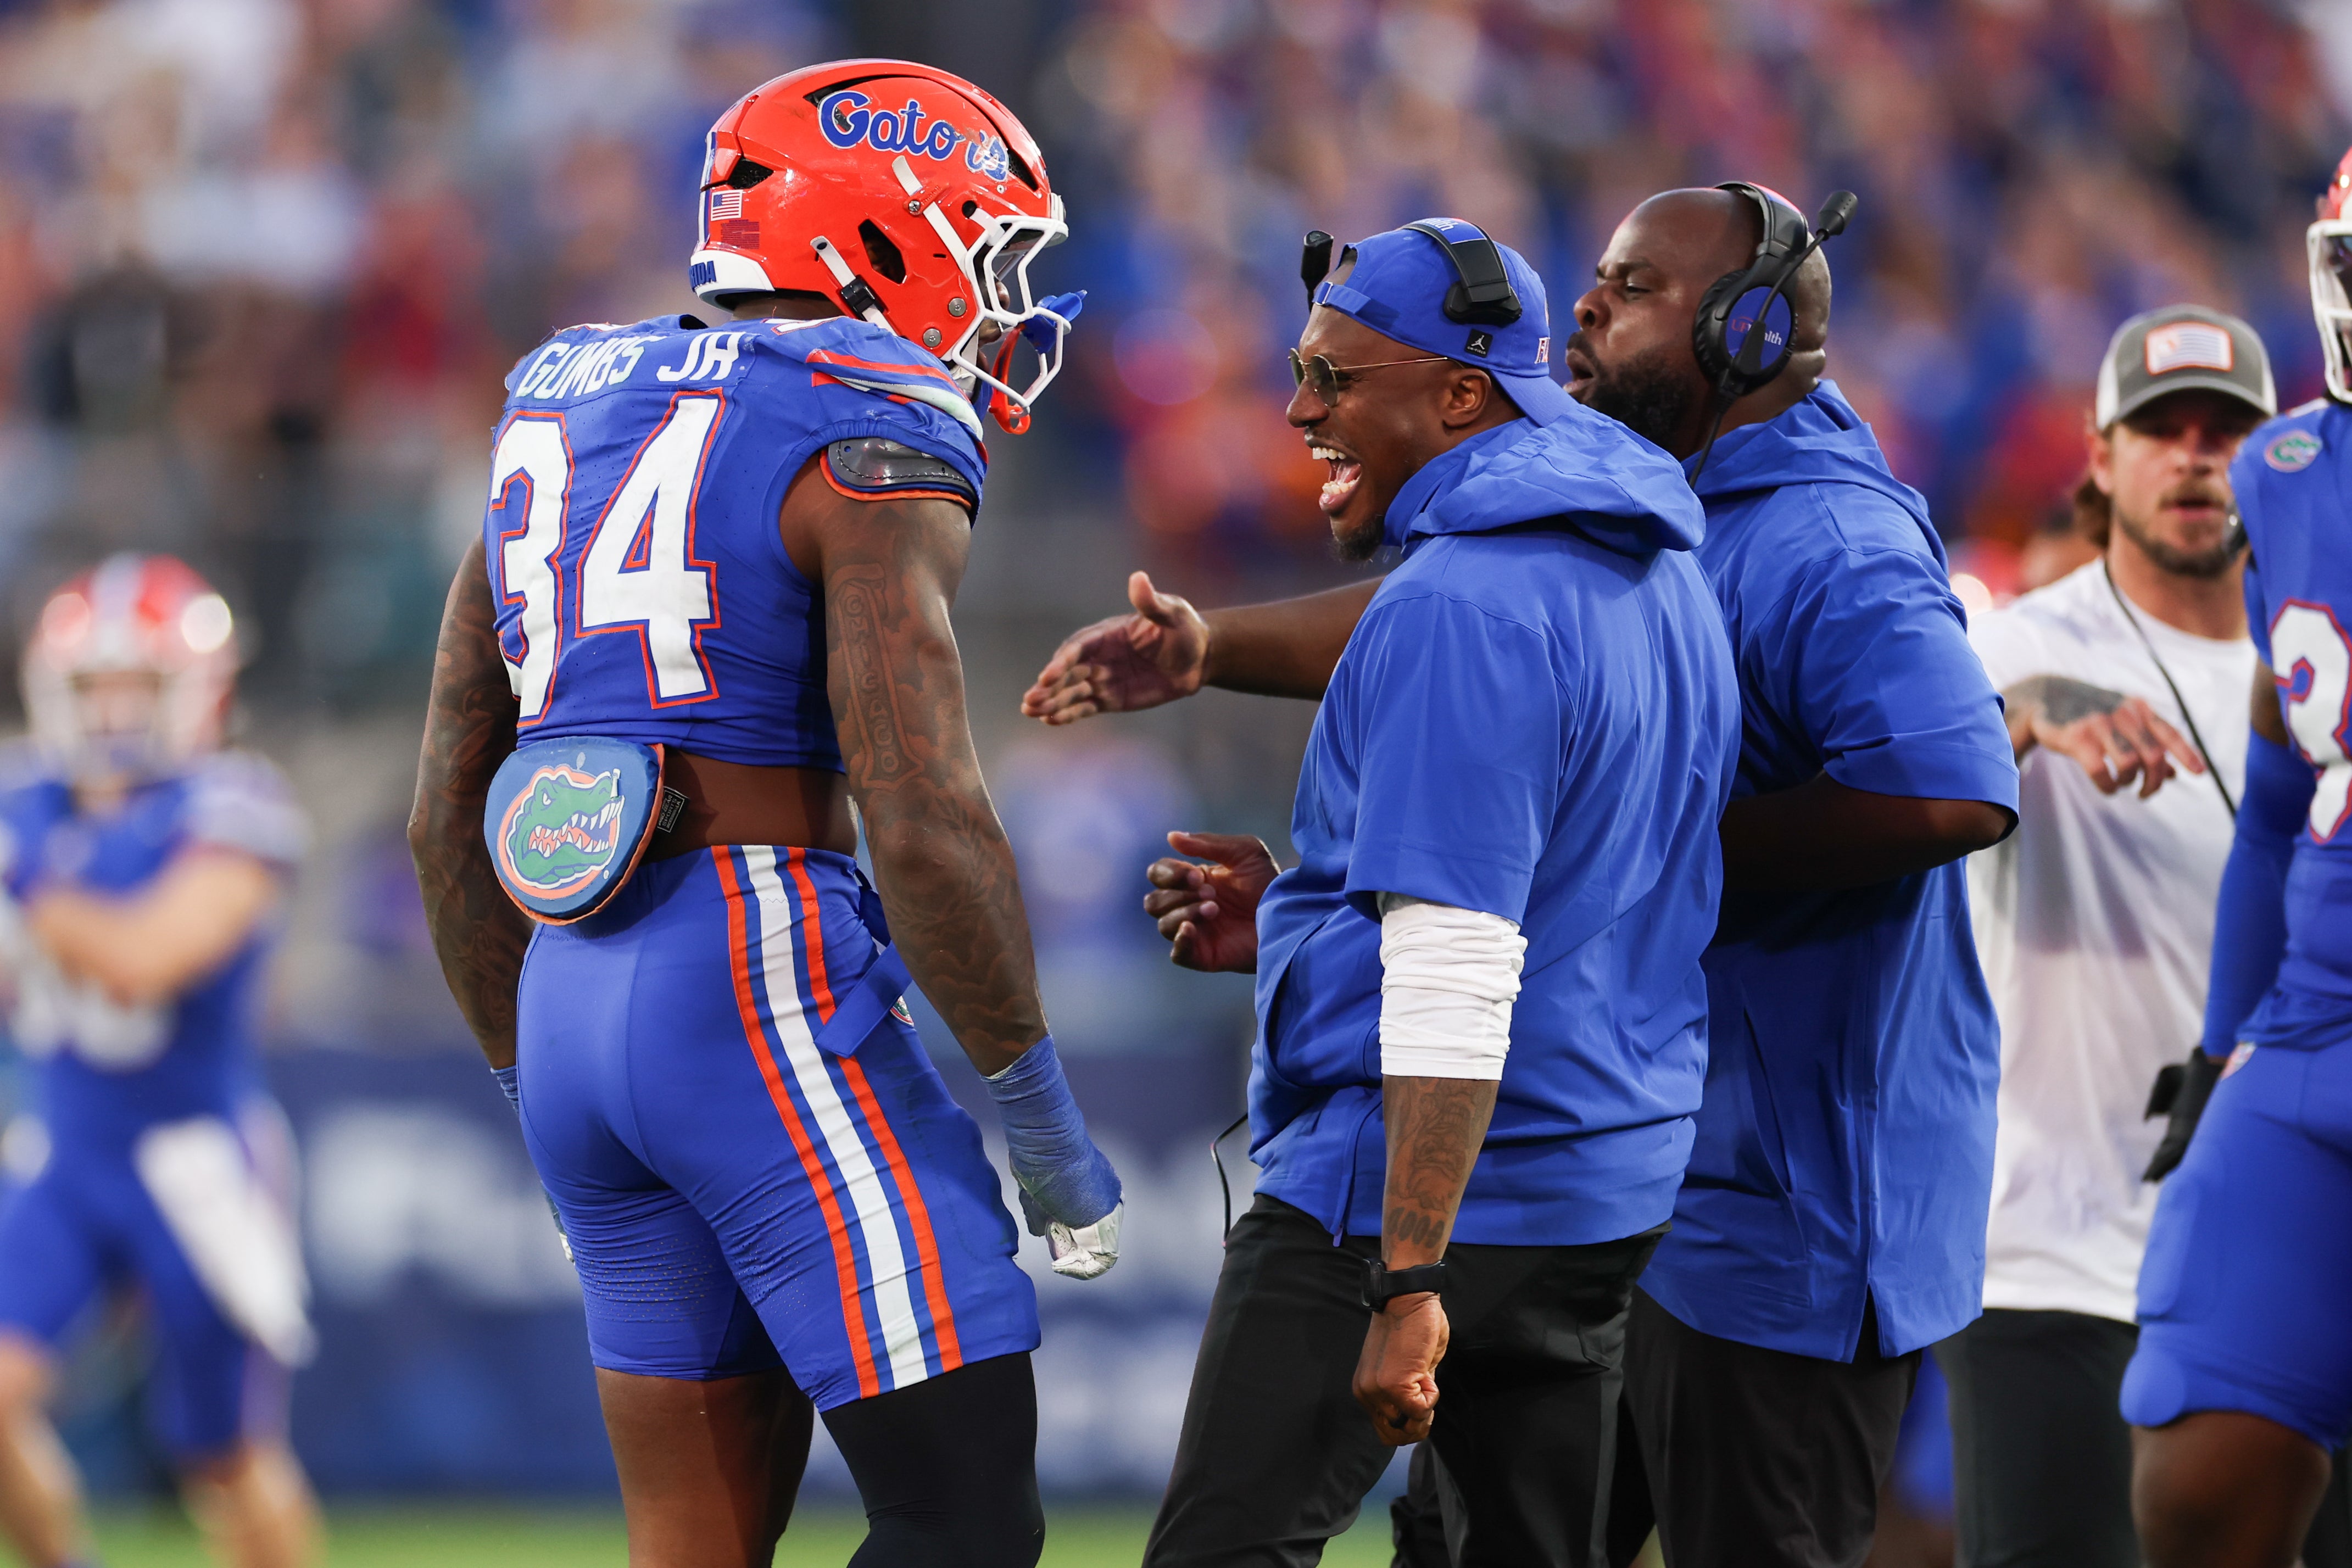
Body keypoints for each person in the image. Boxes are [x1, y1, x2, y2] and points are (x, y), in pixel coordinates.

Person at [1025, 185, 2020, 1568]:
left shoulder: (1815, 538)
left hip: (1735, 1188)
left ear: (1744, 329)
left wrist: (1415, 1263)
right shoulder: (1642, 529)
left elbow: (1949, 784)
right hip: (1622, 1160)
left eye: (1633, 285)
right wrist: (1308, 869)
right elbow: (1491, 697)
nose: (1592, 306)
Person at [406, 62, 1121, 1568]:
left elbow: (440, 812)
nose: (999, 303)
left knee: (694, 1551)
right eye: (988, 253)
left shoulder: (553, 399)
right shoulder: (869, 422)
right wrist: (1042, 1115)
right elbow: (922, 816)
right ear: (882, 232)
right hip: (752, 978)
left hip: (566, 996)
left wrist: (516, 1080)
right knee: (964, 1518)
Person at [1118, 220, 1736, 1567]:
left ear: (1459, 396)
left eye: (1334, 378)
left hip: (1419, 1195)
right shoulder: (1660, 565)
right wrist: (1304, 926)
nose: (1296, 409)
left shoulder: (1461, 601)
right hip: (1596, 1185)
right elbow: (1576, 886)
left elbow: (1459, 959)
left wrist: (1407, 1278)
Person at [1946, 305, 2294, 1568]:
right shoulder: (2025, 642)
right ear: (2099, 458)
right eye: (2161, 430)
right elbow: (1876, 750)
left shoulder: (2318, 650)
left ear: (2275, 455)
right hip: (2054, 1253)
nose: (2192, 458)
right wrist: (2026, 709)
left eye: (2223, 433)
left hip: (2288, 1256)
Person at [2122, 144, 2352, 1568]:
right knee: (2200, 1469)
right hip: (2316, 1023)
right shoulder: (2287, 475)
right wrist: (2218, 1051)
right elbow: (2275, 800)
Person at [0, 555, 320, 1568]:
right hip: (65, 1148)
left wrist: (26, 883)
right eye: (96, 688)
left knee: (221, 1456)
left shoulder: (233, 804)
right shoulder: (25, 801)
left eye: (140, 686)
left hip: (196, 1168)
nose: (115, 715)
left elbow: (146, 961)